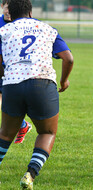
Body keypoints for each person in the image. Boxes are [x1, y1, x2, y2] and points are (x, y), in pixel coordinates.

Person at [0, 0, 74, 189]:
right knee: (47, 132)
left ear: (10, 13)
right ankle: (30, 174)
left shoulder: (4, 31)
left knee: (6, 134)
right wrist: (64, 80)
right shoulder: (47, 29)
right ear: (31, 12)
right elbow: (68, 58)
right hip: (42, 83)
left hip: (12, 84)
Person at [0, 0, 32, 144]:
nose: (7, 11)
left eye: (10, 8)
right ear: (2, 7)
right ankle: (22, 125)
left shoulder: (22, 25)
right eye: (5, 7)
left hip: (12, 72)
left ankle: (22, 125)